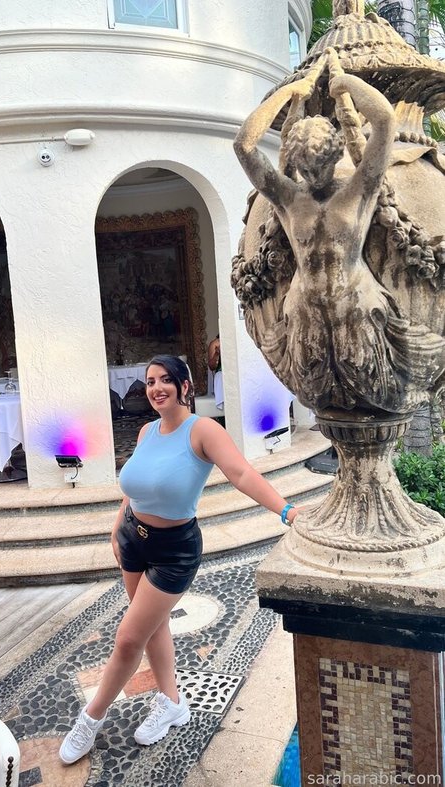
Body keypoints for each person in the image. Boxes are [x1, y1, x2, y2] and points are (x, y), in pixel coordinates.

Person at [59, 354, 300, 765]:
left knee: (128, 638)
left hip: (174, 551)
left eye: (165, 380)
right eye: (150, 381)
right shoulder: (146, 431)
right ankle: (172, 703)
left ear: (184, 386)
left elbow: (242, 474)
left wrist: (287, 511)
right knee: (152, 627)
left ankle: (90, 718)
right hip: (133, 540)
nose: (156, 388)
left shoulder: (202, 431)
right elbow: (134, 487)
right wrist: (117, 527)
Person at [233, 51, 443, 414]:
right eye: (305, 167)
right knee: (321, 400)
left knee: (377, 395)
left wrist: (344, 83)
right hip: (303, 312)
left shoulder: (359, 190)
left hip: (357, 307)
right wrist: (290, 93)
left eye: (319, 165)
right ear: (296, 163)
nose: (313, 175)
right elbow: (244, 145)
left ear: (333, 157)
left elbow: (384, 122)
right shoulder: (287, 198)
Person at [207, 334, 224, 410]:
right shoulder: (215, 343)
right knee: (220, 376)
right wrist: (216, 354)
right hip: (221, 374)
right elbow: (212, 367)